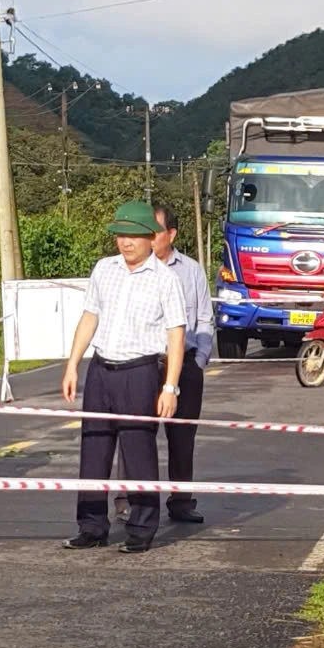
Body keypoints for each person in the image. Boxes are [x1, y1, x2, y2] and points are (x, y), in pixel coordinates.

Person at [60, 201, 188, 554]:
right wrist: (73, 365)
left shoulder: (166, 279)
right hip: (102, 369)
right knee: (94, 450)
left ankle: (141, 529)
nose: (126, 242)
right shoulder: (105, 269)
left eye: (133, 235)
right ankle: (91, 526)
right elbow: (89, 317)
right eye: (120, 235)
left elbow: (176, 335)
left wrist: (170, 386)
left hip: (140, 371)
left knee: (138, 453)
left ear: (152, 238)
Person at [149, 200, 214, 527]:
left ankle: (181, 500)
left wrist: (199, 359)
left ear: (171, 234)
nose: (147, 236)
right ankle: (133, 499)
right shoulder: (134, 268)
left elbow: (204, 318)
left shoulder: (190, 270)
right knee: (138, 434)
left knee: (182, 437)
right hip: (146, 363)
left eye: (155, 230)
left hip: (185, 362)